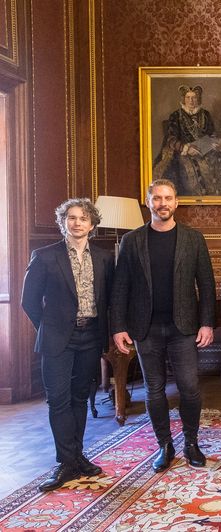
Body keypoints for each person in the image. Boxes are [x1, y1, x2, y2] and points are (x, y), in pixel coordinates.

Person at [110, 178, 215, 473]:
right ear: (148, 203)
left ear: (176, 202)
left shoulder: (193, 239)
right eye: (157, 198)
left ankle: (191, 442)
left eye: (168, 198)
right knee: (153, 389)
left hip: (184, 328)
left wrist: (207, 323)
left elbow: (206, 285)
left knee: (189, 388)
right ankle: (164, 445)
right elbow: (120, 287)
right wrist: (118, 326)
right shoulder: (132, 241)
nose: (163, 203)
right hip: (146, 329)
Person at [21, 198, 115, 492]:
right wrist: (48, 329)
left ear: (92, 224)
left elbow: (108, 299)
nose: (77, 223)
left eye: (83, 218)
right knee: (58, 399)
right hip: (57, 339)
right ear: (63, 222)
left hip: (91, 336)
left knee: (79, 398)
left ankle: (77, 456)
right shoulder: (45, 256)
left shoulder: (104, 258)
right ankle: (65, 462)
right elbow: (29, 301)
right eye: (71, 218)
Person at [153, 85, 221, 196]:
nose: (191, 101)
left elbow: (211, 134)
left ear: (198, 99)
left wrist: (215, 142)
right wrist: (186, 148)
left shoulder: (205, 114)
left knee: (218, 159)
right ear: (184, 99)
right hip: (184, 151)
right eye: (188, 97)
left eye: (194, 97)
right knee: (191, 167)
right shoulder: (176, 116)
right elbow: (171, 139)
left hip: (205, 149)